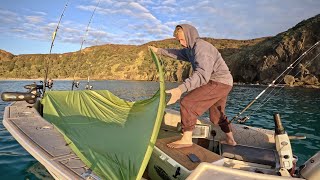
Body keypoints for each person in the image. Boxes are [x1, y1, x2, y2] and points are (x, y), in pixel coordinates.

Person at [149, 24, 237, 148]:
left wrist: (180, 89)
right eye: (179, 40)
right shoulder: (190, 49)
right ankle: (231, 140)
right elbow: (177, 53)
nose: (181, 43)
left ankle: (186, 139)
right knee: (216, 116)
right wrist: (159, 51)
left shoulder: (201, 48)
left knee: (187, 103)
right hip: (225, 83)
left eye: (182, 39)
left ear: (190, 35)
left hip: (218, 82)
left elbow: (202, 75)